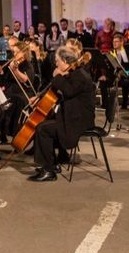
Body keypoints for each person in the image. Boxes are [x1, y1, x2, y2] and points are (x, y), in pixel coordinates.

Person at [28, 45, 95, 182]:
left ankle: (48, 170)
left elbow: (68, 91)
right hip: (75, 116)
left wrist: (57, 76)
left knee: (42, 129)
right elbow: (65, 90)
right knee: (46, 124)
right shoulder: (76, 73)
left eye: (57, 61)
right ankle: (53, 164)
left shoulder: (79, 76)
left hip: (79, 120)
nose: (56, 64)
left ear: (65, 61)